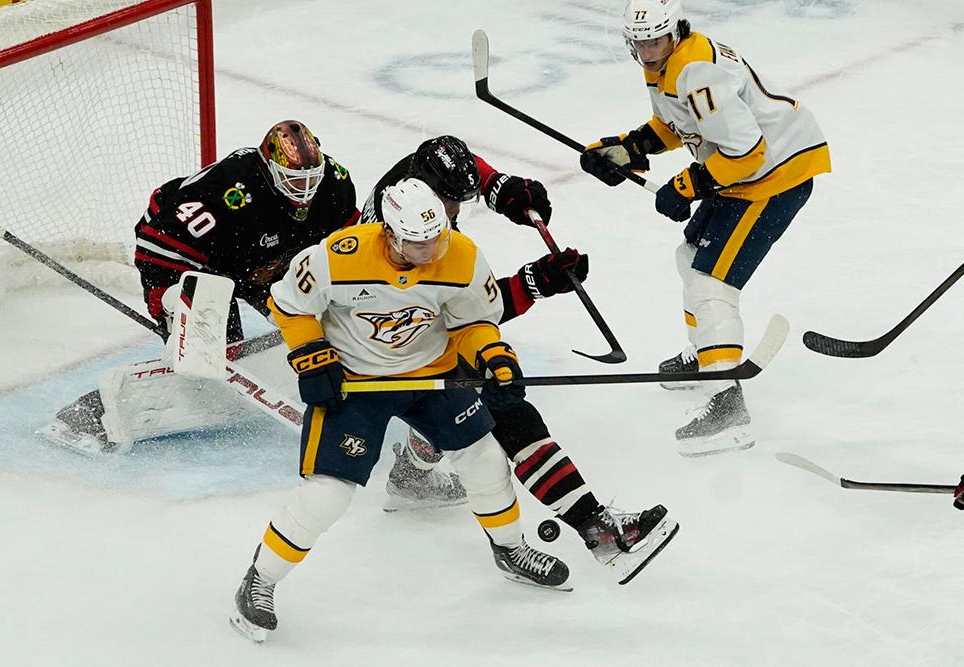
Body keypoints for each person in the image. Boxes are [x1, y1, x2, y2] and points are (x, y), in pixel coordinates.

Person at [230, 178, 571, 642]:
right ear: (389, 233)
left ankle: (511, 550)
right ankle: (260, 579)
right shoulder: (338, 255)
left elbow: (473, 321)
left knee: (486, 459)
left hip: (432, 375)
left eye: (437, 238)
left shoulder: (462, 255)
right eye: (417, 242)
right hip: (357, 382)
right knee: (328, 493)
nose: (431, 251)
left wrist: (493, 354)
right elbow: (288, 304)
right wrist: (312, 355)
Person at [361, 135, 678, 583]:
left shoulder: (414, 188)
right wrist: (536, 282)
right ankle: (596, 530)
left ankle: (412, 475)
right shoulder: (409, 251)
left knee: (479, 408)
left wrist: (504, 189)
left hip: (410, 326)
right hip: (397, 342)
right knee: (504, 413)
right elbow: (473, 316)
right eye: (451, 203)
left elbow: (470, 168)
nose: (456, 212)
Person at [581, 0, 831, 456]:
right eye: (640, 44)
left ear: (676, 31)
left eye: (656, 42)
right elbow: (678, 124)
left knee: (710, 281)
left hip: (773, 177)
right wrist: (629, 147)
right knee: (691, 257)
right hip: (746, 174)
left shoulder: (697, 72)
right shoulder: (668, 63)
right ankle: (706, 354)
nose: (648, 52)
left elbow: (747, 152)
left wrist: (687, 184)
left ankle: (728, 404)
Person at [42, 120, 359, 453]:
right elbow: (158, 245)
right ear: (269, 168)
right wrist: (176, 306)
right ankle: (93, 412)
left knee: (319, 320)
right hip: (184, 258)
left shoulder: (334, 182)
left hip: (265, 259)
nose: (304, 189)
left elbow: (347, 246)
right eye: (293, 179)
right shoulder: (227, 192)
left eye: (311, 179)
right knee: (207, 349)